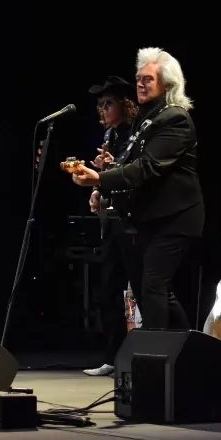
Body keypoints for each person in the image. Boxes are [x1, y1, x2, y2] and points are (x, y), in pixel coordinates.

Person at [72, 47, 204, 331]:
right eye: (139, 79)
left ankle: (155, 353)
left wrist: (99, 179)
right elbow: (128, 162)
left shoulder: (175, 118)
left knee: (153, 285)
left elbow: (147, 167)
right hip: (150, 218)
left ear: (167, 84)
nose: (141, 84)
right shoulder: (147, 119)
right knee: (156, 290)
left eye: (148, 79)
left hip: (175, 218)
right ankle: (190, 349)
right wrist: (101, 185)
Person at [82, 76, 139, 377]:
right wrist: (97, 190)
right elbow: (109, 177)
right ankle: (113, 357)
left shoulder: (137, 133)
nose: (103, 110)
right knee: (107, 291)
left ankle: (148, 356)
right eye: (100, 105)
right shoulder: (110, 135)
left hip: (133, 222)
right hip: (113, 222)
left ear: (125, 104)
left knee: (142, 289)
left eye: (109, 103)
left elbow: (137, 173)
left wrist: (110, 167)